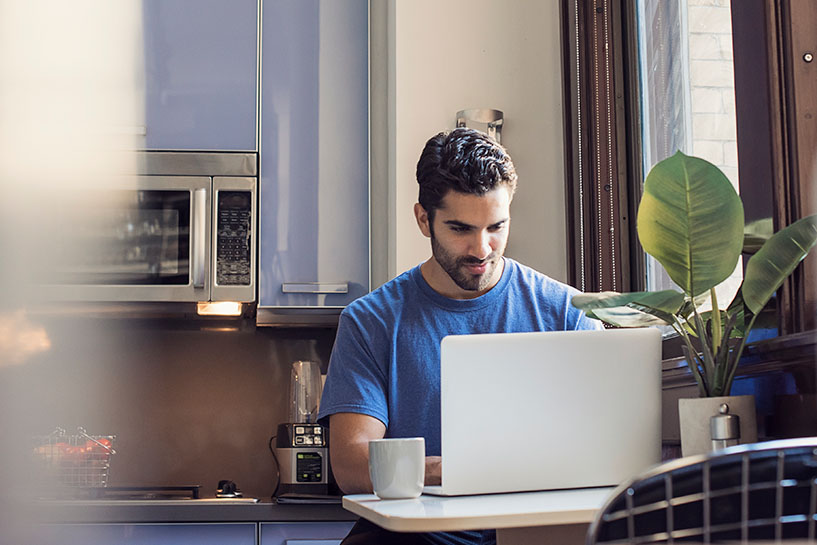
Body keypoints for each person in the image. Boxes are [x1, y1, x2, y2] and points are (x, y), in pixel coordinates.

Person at [317, 127, 601, 545]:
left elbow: (600, 446)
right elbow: (351, 465)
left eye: (496, 227)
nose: (482, 249)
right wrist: (444, 470)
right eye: (460, 229)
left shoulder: (568, 313)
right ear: (422, 219)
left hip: (536, 531)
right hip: (415, 537)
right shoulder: (370, 321)